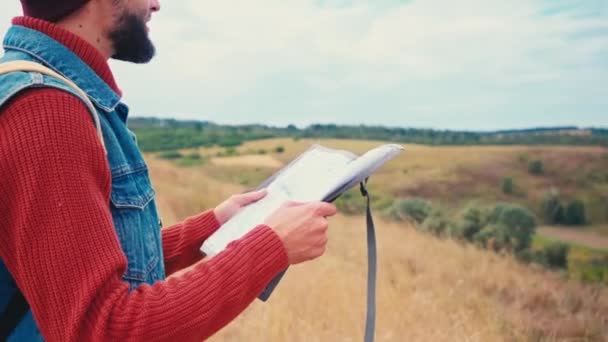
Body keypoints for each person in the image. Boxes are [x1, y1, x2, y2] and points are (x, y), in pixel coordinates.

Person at [0, 0, 337, 340]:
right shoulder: (46, 111)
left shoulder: (54, 95)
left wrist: (213, 227)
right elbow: (105, 329)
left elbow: (88, 259)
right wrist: (270, 248)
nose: (156, 5)